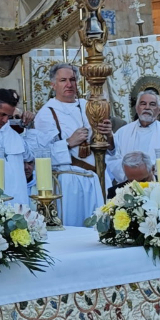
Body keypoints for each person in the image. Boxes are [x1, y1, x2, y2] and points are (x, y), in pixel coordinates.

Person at [33, 63, 107, 225]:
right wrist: (68, 142)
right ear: (53, 85)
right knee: (72, 226)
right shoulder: (46, 113)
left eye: (72, 80)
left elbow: (110, 147)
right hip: (68, 181)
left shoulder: (90, 106)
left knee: (97, 227)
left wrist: (107, 134)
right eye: (63, 80)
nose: (69, 84)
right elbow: (41, 155)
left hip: (94, 177)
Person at [108, 89, 160, 183]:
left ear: (159, 110)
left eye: (152, 104)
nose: (147, 107)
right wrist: (131, 175)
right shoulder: (122, 132)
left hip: (157, 185)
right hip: (127, 184)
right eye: (143, 104)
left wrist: (149, 175)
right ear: (137, 108)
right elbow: (113, 159)